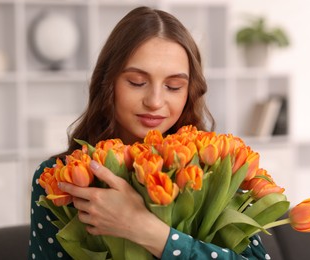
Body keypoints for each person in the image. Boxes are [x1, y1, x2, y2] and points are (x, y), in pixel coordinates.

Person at [28, 6, 270, 260]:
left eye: (173, 86)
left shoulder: (216, 170)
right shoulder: (59, 180)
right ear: (107, 82)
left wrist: (149, 231)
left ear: (190, 91)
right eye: (137, 82)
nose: (155, 101)